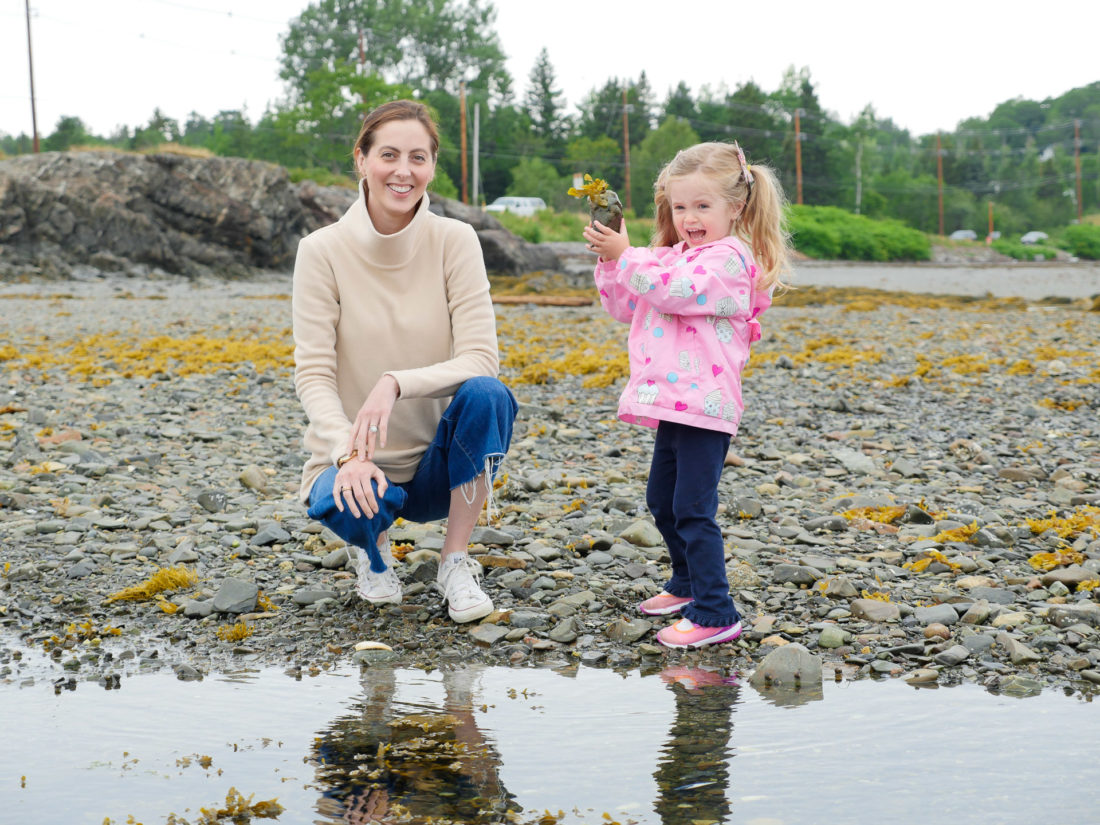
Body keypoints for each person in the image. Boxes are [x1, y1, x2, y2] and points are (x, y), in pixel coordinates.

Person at [292, 99, 517, 624]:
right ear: (362, 160)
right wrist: (349, 453)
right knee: (339, 501)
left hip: (440, 465)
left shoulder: (455, 240)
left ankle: (455, 563)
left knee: (490, 394)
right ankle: (373, 556)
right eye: (388, 154)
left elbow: (483, 358)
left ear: (432, 167)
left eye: (418, 157)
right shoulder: (321, 250)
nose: (403, 170)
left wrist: (396, 383)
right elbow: (314, 373)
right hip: (356, 467)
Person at [582, 141, 790, 649]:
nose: (690, 218)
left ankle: (717, 610)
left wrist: (627, 256)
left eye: (703, 206)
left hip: (707, 405)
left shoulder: (728, 259)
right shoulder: (671, 257)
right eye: (680, 207)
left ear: (734, 208)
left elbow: (675, 290)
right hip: (674, 403)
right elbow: (625, 304)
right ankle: (686, 583)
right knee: (662, 500)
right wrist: (614, 262)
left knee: (694, 510)